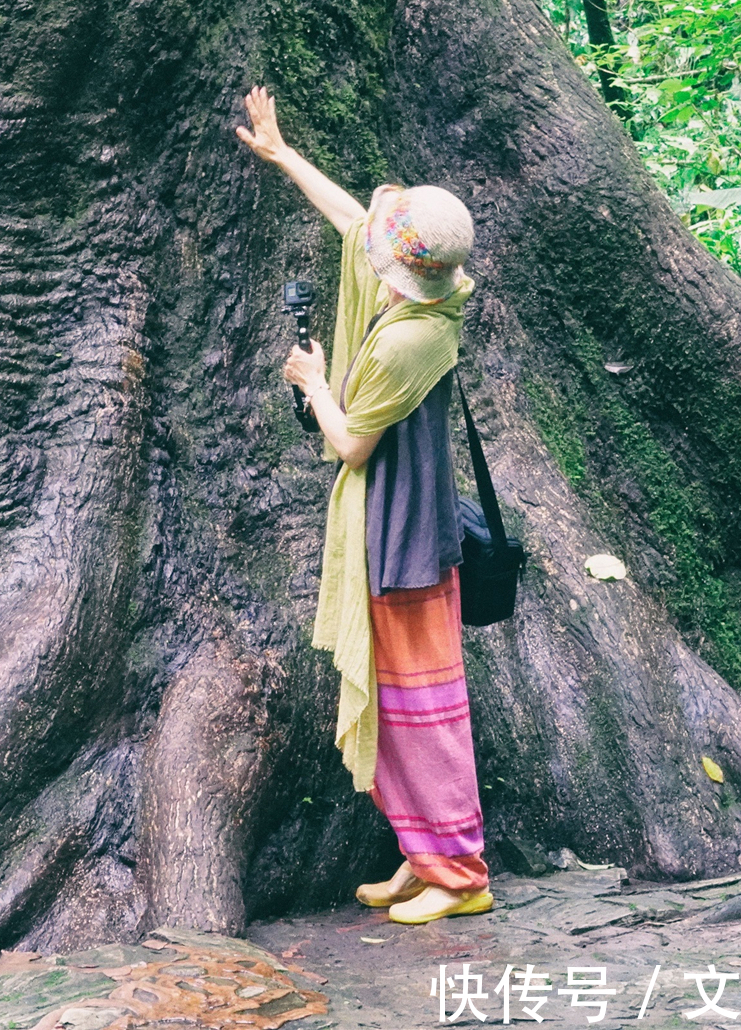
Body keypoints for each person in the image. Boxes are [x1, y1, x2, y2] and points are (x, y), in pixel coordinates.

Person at [235, 85, 493, 926]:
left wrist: (313, 387)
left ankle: (461, 875)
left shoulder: (415, 336)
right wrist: (281, 154)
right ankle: (424, 859)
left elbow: (352, 446)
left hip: (405, 534)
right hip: (403, 524)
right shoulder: (421, 294)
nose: (369, 251)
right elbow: (357, 223)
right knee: (400, 704)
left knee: (426, 711)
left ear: (407, 268)